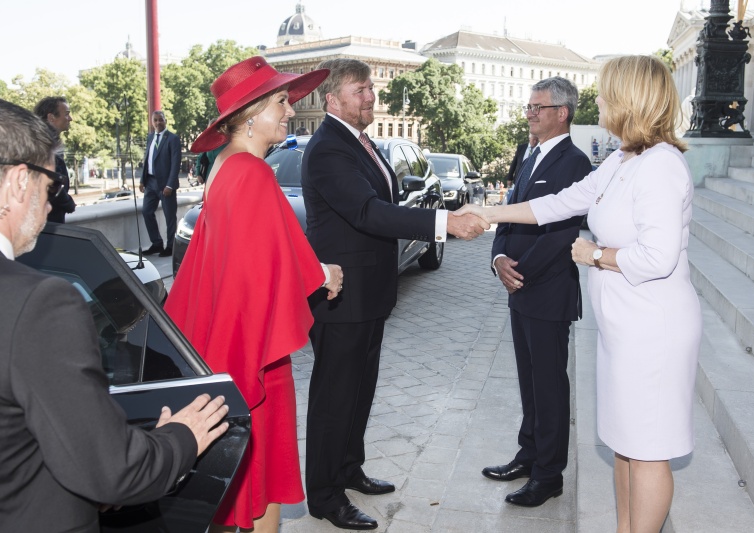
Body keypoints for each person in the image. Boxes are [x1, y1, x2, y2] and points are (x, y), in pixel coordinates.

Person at [458, 55, 701, 531]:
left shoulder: (661, 167)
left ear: (631, 99)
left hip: (653, 332)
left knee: (648, 450)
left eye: (608, 94)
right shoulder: (622, 159)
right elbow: (561, 203)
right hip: (624, 330)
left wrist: (593, 254)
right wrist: (491, 214)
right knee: (627, 447)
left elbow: (658, 257)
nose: (602, 103)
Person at [0, 96, 231, 532]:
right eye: (49, 183)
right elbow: (115, 473)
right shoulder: (36, 303)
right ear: (18, 182)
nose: (52, 202)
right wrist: (183, 436)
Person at [300, 57, 489, 530]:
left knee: (360, 391)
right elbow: (368, 212)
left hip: (369, 293)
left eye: (370, 88)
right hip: (340, 296)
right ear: (333, 99)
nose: (370, 96)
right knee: (334, 397)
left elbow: (386, 201)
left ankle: (348, 469)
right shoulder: (328, 149)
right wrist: (444, 223)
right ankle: (324, 495)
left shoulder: (361, 142)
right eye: (360, 89)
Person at [163, 56, 342, 533]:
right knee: (262, 478)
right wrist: (323, 273)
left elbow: (244, 257)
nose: (290, 110)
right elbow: (265, 266)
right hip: (254, 350)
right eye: (281, 101)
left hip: (221, 342)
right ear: (249, 114)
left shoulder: (224, 167)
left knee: (232, 477)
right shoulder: (254, 173)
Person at [478, 77, 591, 508]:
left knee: (548, 386)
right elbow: (508, 213)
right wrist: (497, 259)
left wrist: (519, 271)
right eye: (528, 107)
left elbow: (562, 231)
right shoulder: (529, 155)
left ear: (562, 113)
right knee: (528, 382)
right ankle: (529, 454)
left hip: (546, 291)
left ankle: (548, 475)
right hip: (519, 287)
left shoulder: (574, 162)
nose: (529, 114)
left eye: (537, 108)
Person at [139, 110, 181, 257]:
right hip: (150, 182)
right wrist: (142, 180)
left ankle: (170, 246)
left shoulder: (172, 139)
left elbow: (176, 163)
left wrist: (170, 185)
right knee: (146, 211)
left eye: (160, 120)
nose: (158, 123)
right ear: (152, 122)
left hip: (165, 184)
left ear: (165, 121)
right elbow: (147, 160)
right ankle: (156, 243)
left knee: (169, 216)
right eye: (155, 120)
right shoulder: (150, 137)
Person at [33, 96, 76, 223]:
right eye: (66, 114)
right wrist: (66, 202)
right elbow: (49, 180)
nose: (70, 119)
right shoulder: (43, 145)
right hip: (47, 224)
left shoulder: (43, 141)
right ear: (51, 117)